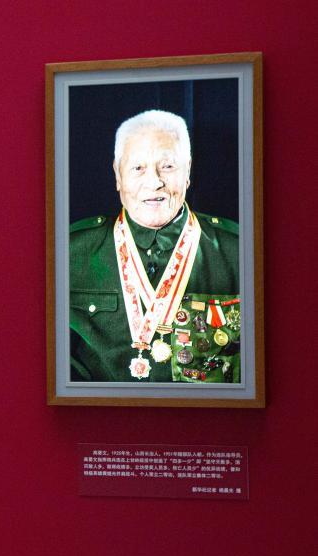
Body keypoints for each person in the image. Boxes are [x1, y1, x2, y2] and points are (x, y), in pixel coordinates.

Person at [70, 110, 241, 383]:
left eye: (168, 167)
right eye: (138, 168)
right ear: (117, 175)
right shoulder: (70, 253)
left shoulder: (238, 251)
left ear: (187, 171)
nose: (154, 182)